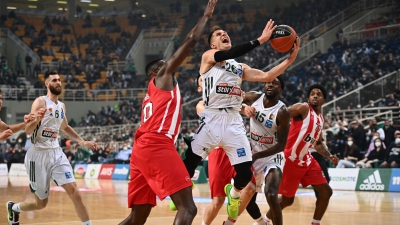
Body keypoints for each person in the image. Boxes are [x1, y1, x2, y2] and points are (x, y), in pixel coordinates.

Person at [182, 22, 301, 221]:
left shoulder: (239, 68)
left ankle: (234, 194)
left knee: (245, 173)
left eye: (225, 32)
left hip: (233, 121)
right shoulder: (208, 58)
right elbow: (226, 55)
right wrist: (261, 40)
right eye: (219, 34)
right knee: (190, 162)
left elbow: (267, 76)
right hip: (212, 117)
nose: (224, 34)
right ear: (213, 45)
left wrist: (290, 59)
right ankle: (183, 191)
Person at [118, 1, 218, 225]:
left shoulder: (152, 93)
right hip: (156, 144)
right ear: (157, 71)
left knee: (137, 217)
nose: (172, 66)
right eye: (166, 64)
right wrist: (205, 17)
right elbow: (191, 41)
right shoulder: (162, 77)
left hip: (141, 149)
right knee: (188, 207)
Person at [6, 70, 98, 225]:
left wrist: (82, 142)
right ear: (47, 84)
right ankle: (14, 208)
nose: (58, 82)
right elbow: (28, 130)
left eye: (59, 80)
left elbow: (65, 127)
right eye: (54, 80)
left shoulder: (61, 106)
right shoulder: (40, 102)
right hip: (38, 156)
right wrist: (38, 119)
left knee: (75, 193)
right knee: (41, 203)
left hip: (56, 154)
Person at [263, 84, 339, 225]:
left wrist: (329, 156)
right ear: (308, 98)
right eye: (312, 94)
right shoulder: (303, 108)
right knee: (287, 200)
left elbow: (318, 143)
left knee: (326, 192)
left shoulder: (320, 119)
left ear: (324, 100)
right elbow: (282, 113)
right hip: (290, 159)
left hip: (307, 160)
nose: (315, 95)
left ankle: (315, 223)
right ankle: (264, 221)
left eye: (319, 94)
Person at [228, 76, 290, 225]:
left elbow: (281, 145)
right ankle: (261, 223)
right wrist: (244, 108)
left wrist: (257, 156)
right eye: (268, 82)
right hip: (253, 155)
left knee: (271, 194)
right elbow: (231, 99)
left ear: (280, 90)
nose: (270, 85)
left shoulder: (282, 112)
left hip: (272, 157)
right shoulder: (254, 97)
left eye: (275, 84)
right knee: (248, 199)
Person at [194, 75, 236, 225]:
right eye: (202, 81)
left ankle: (230, 220)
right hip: (219, 151)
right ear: (200, 88)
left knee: (249, 187)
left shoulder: (230, 97)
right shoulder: (201, 105)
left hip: (237, 147)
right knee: (218, 200)